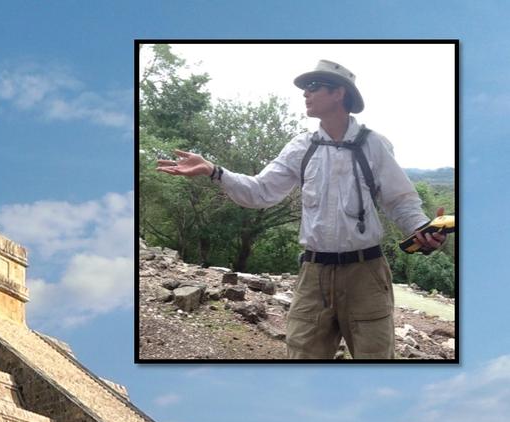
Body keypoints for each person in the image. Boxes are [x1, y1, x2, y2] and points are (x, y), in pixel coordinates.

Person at [156, 60, 447, 359]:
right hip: (313, 275)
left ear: (339, 94)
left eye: (313, 87)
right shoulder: (300, 147)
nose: (305, 94)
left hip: (367, 275)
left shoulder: (374, 144)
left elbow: (401, 201)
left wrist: (422, 231)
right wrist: (215, 171)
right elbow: (260, 191)